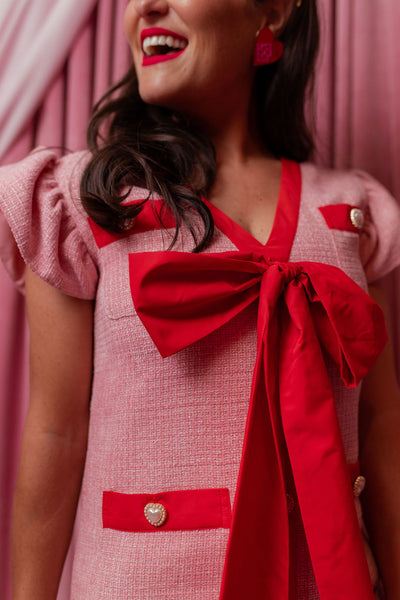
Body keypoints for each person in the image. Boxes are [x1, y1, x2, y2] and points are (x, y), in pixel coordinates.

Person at [1, 0, 400, 598]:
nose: (145, 8)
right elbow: (56, 435)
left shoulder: (350, 211)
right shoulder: (86, 201)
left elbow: (381, 428)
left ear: (272, 11)